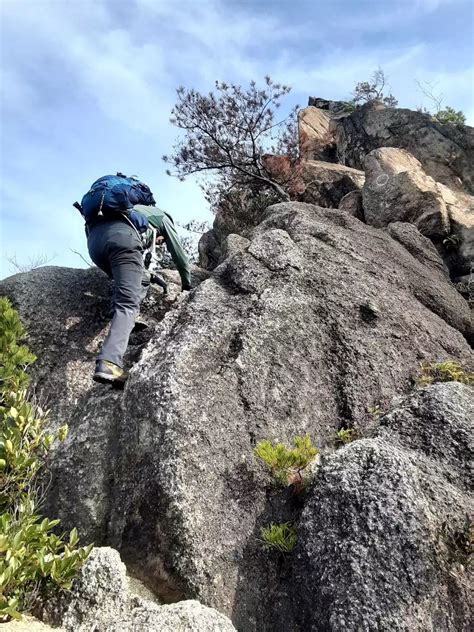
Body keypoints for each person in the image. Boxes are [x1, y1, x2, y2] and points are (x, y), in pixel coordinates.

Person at [84, 181, 191, 386]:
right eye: (160, 240)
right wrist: (187, 284)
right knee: (128, 303)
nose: (159, 242)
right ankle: (110, 362)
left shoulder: (119, 208)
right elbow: (179, 255)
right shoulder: (161, 216)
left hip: (95, 244)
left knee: (139, 278)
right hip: (122, 240)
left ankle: (122, 320)